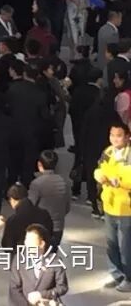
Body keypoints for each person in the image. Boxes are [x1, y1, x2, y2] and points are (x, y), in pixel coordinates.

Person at [95, 122, 131, 292]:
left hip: (126, 208)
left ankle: (129, 278)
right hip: (109, 205)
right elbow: (98, 169)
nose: (114, 139)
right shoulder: (108, 152)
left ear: (127, 137)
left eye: (119, 135)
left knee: (126, 247)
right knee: (112, 244)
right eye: (112, 135)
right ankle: (116, 274)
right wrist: (100, 175)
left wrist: (119, 181)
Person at [8, 224, 69, 306]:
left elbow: (62, 287)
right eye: (26, 239)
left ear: (42, 244)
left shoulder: (55, 261)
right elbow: (14, 288)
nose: (26, 243)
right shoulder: (19, 259)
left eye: (30, 240)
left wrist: (42, 294)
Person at [29, 149, 71, 247]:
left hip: (41, 227)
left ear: (39, 164)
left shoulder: (37, 184)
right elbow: (67, 208)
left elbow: (30, 206)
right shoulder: (64, 182)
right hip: (58, 226)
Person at [1, 182, 53, 250]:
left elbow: (7, 246)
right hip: (41, 251)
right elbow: (49, 234)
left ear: (12, 200)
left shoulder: (12, 220)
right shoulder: (44, 213)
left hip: (20, 254)